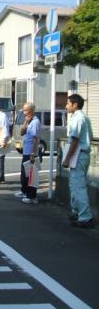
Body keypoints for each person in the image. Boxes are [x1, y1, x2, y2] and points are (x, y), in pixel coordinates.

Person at [62, 94, 94, 228]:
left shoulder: (78, 118)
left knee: (78, 186)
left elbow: (75, 140)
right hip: (82, 154)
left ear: (75, 105)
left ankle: (85, 217)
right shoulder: (84, 117)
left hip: (78, 154)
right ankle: (77, 212)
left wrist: (67, 158)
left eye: (68, 103)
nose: (66, 106)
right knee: (75, 184)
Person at [15, 102, 41, 204]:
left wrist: (33, 154)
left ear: (32, 110)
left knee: (31, 175)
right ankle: (25, 192)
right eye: (24, 110)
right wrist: (25, 121)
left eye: (26, 110)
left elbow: (36, 139)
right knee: (25, 175)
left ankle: (32, 197)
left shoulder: (35, 122)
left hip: (31, 152)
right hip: (26, 152)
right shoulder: (30, 121)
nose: (25, 112)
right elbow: (21, 132)